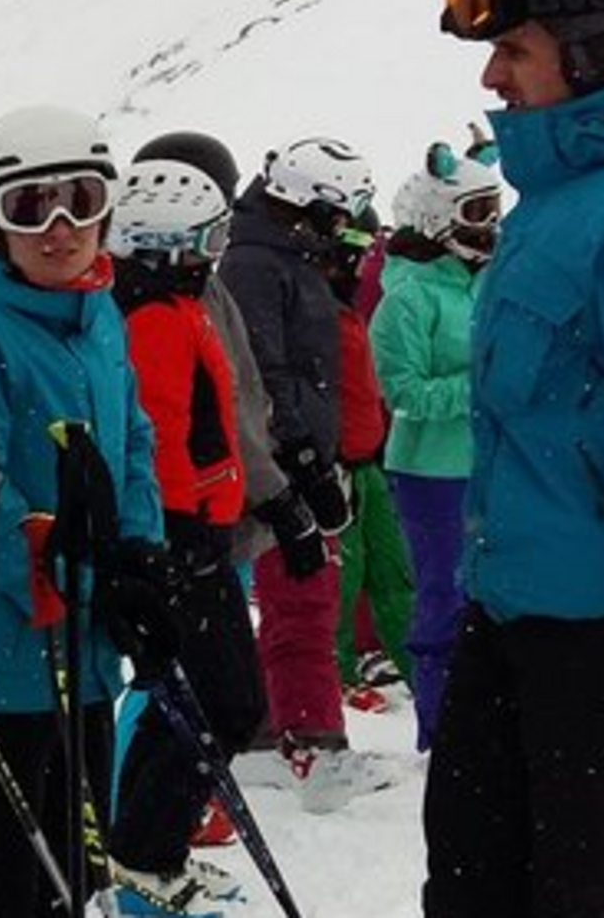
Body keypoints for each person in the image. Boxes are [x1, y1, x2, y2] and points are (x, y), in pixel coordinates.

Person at [426, 0, 604, 916]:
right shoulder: (549, 206)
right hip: (513, 615)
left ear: (603, 56)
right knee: (471, 879)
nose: (490, 77)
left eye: (512, 50)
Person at [0, 105, 177, 918]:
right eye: (32, 207)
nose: (61, 229)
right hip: (15, 647)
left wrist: (138, 557)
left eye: (82, 200)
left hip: (91, 641)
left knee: (83, 848)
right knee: (20, 866)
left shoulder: (98, 312)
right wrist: (69, 574)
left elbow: (134, 439)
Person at [102, 156, 263, 914]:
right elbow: (159, 431)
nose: (215, 254)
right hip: (184, 540)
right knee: (223, 704)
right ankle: (146, 854)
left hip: (198, 531)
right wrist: (184, 532)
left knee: (194, 697)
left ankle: (141, 849)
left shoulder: (173, 304)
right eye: (207, 240)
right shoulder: (155, 319)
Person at [219, 136, 388, 813]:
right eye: (338, 214)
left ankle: (268, 734)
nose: (344, 229)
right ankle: (313, 743)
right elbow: (265, 372)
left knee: (300, 598)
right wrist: (304, 462)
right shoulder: (258, 265)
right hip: (280, 465)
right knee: (304, 599)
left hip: (293, 456)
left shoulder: (285, 258)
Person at [368, 145, 498, 748]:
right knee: (444, 598)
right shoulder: (409, 298)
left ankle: (487, 725)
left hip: (494, 464)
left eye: (493, 208)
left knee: (493, 596)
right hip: (431, 474)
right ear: (437, 218)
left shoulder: (485, 281)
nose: (489, 225)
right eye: (475, 211)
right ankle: (442, 732)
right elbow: (405, 391)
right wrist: (482, 386)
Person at [320, 211, 415, 718]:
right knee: (345, 577)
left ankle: (421, 666)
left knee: (393, 570)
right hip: (337, 464)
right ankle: (339, 672)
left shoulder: (349, 308)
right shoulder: (317, 311)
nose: (362, 260)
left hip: (368, 457)